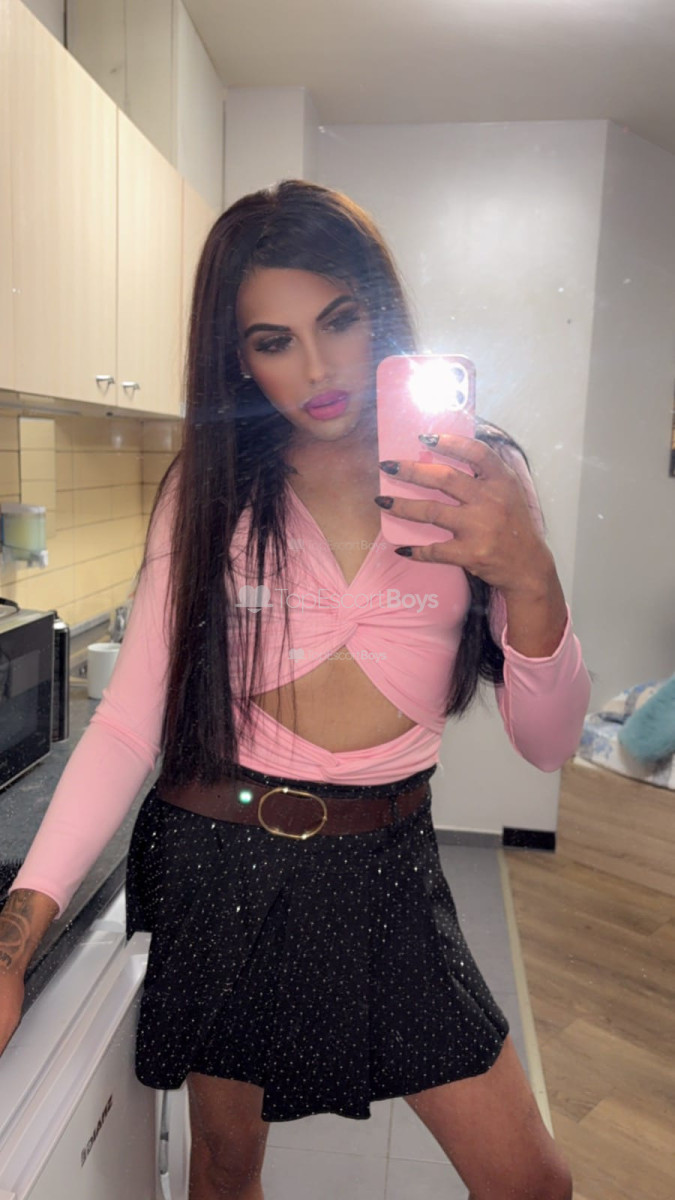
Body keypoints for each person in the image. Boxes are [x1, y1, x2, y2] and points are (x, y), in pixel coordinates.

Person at [0, 180, 590, 1200]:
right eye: (274, 341)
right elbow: (130, 723)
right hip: (221, 857)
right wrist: (15, 938)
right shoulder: (212, 489)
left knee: (530, 1181)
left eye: (340, 321)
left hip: (386, 867)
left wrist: (531, 575)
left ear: (381, 316)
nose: (316, 370)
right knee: (227, 1166)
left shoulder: (475, 477)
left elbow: (548, 745)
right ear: (238, 358)